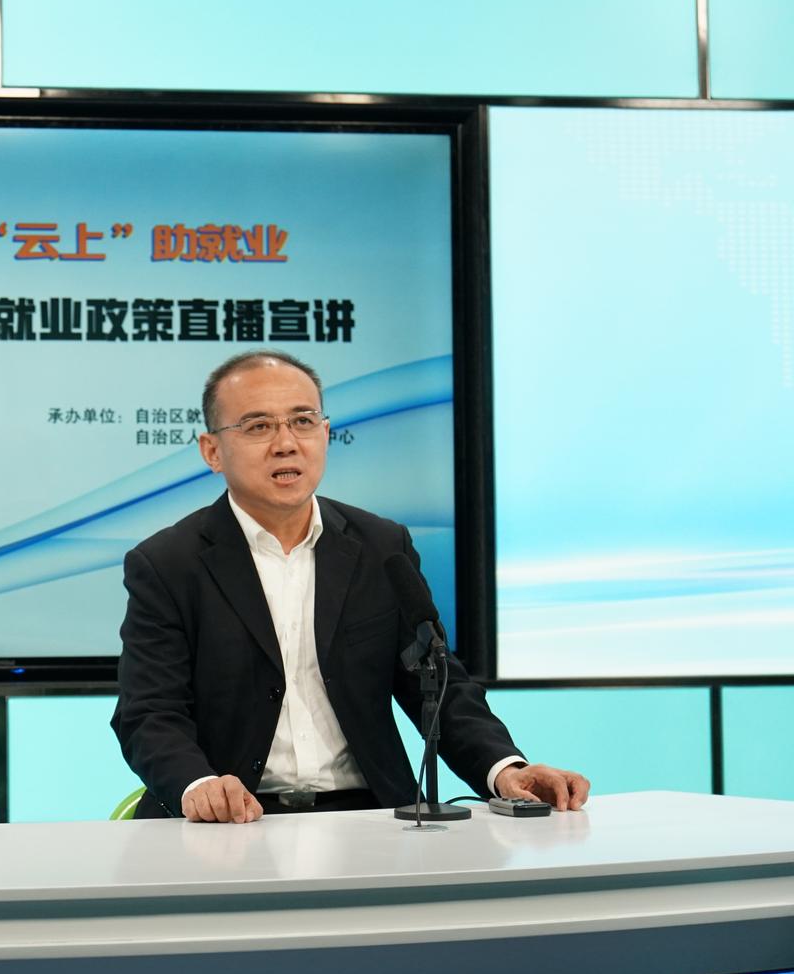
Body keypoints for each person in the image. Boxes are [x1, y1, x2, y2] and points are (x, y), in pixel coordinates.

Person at [111, 349, 589, 822]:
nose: (286, 443)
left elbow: (439, 684)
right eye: (258, 427)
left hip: (370, 814)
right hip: (235, 819)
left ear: (325, 433)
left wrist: (506, 769)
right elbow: (148, 713)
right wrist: (198, 785)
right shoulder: (167, 564)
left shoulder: (382, 546)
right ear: (211, 451)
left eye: (303, 421)